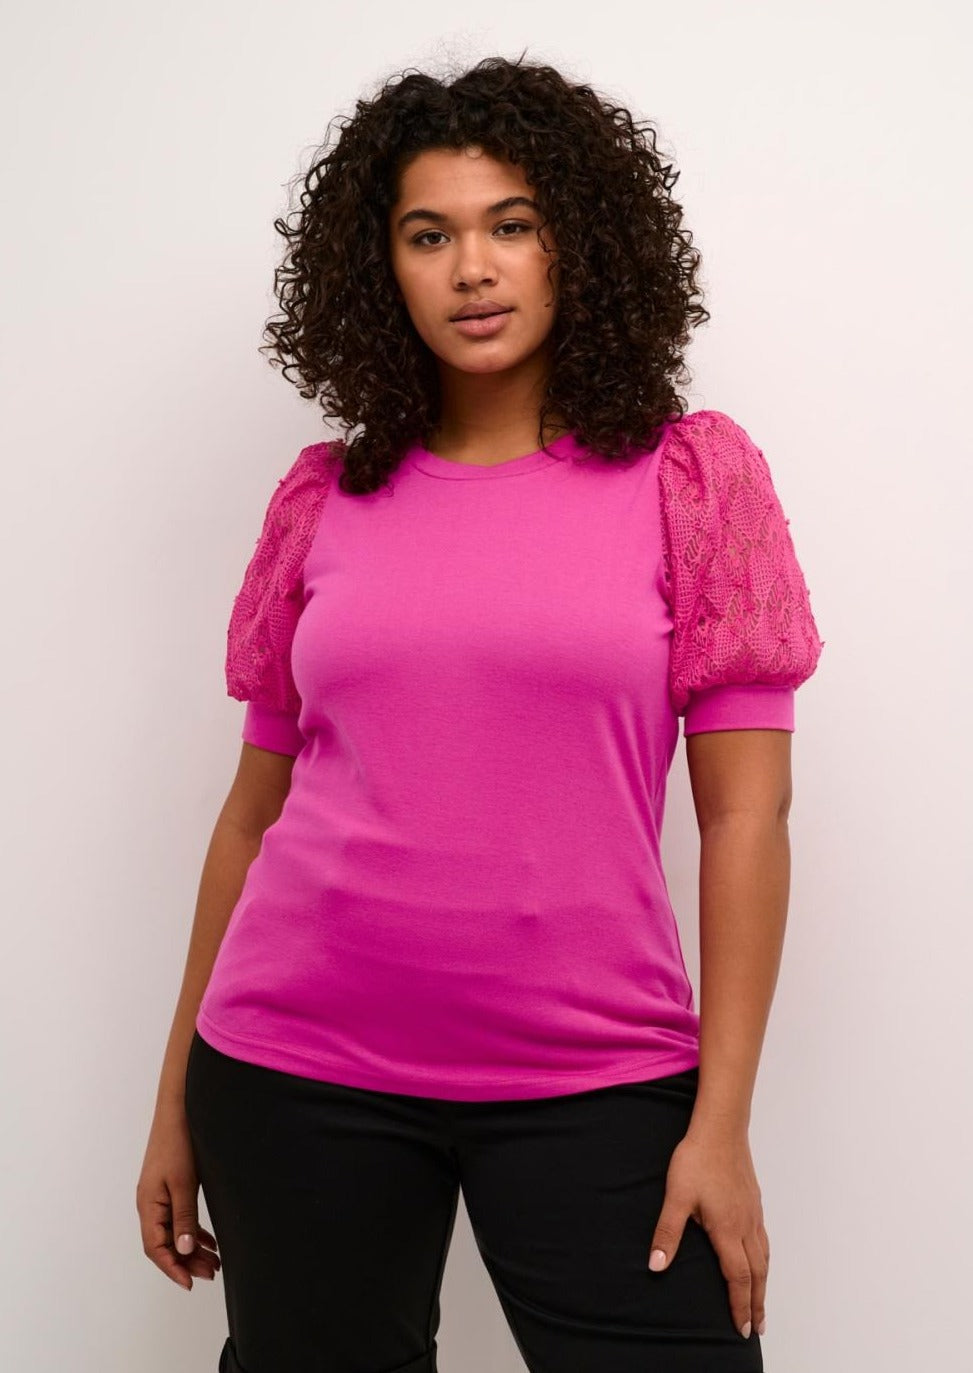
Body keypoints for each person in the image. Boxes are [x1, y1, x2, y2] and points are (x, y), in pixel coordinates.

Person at [136, 53, 824, 1373]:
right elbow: (252, 815)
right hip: (295, 1067)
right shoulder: (324, 497)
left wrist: (721, 1121)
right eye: (428, 234)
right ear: (379, 269)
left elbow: (748, 817)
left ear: (579, 245)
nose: (471, 268)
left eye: (511, 224)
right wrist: (173, 1097)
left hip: (598, 1076)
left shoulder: (688, 480)